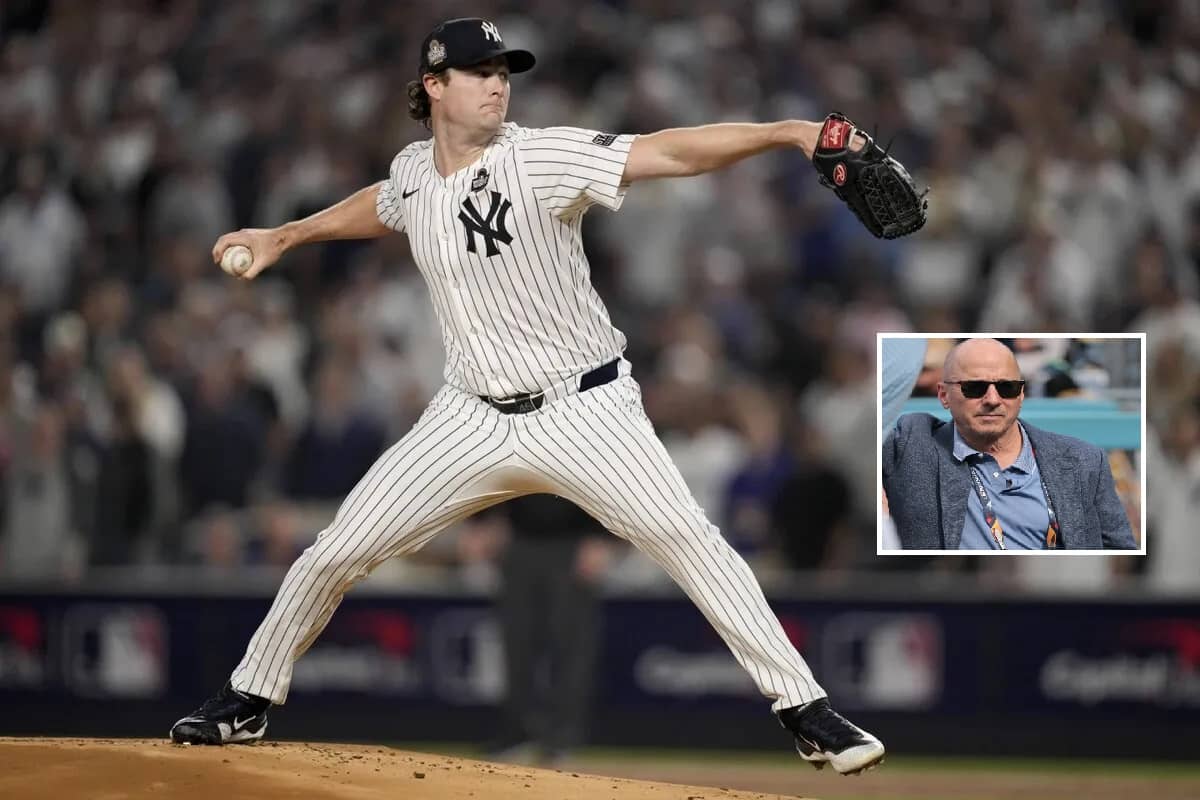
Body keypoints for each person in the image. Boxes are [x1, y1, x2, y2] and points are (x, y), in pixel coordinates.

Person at [169, 17, 885, 775]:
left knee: (691, 545)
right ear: (434, 87)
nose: (498, 84)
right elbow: (384, 202)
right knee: (333, 553)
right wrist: (285, 235)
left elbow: (669, 150)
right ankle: (249, 697)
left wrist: (789, 131)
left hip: (587, 409)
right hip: (469, 416)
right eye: (479, 72)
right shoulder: (414, 170)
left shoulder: (540, 155)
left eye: (504, 71)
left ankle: (806, 711)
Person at [882, 338, 1137, 550]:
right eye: (975, 387)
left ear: (1022, 395)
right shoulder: (911, 442)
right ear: (943, 395)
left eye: (1007, 388)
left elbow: (1120, 551)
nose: (993, 399)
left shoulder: (1084, 460)